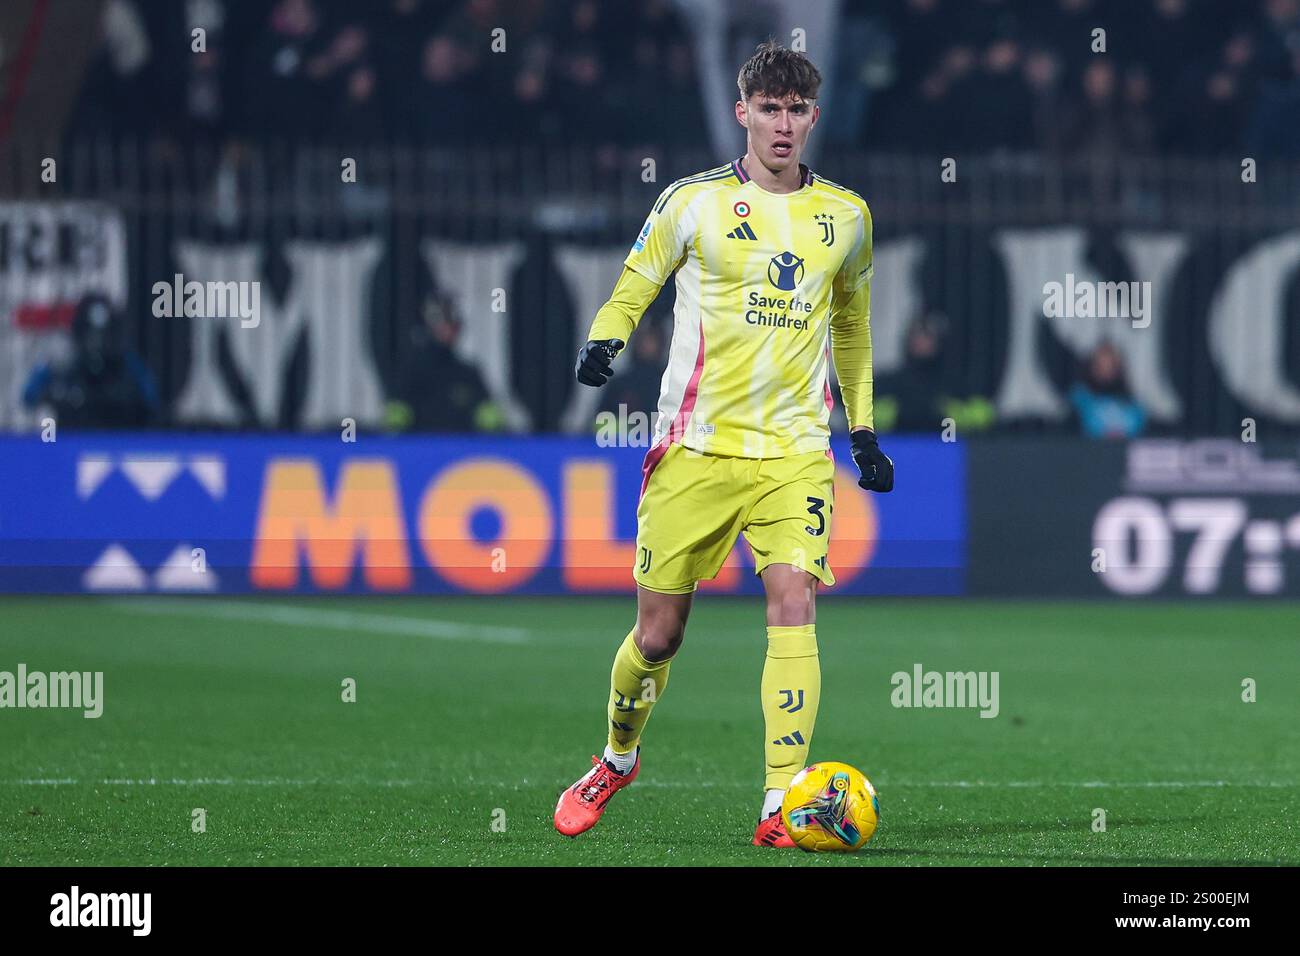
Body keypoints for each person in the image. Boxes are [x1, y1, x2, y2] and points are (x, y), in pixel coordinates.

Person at [558, 41, 893, 848]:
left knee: (794, 600)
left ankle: (780, 804)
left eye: (796, 110)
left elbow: (852, 325)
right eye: (768, 109)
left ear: (814, 116)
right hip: (696, 446)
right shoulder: (693, 202)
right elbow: (637, 281)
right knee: (658, 635)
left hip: (794, 453)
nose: (783, 125)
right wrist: (606, 338)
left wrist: (862, 427)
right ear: (742, 112)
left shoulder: (845, 218)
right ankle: (617, 756)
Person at [22, 294, 160, 430]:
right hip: (71, 442)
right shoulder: (62, 368)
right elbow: (29, 397)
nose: (96, 343)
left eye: (103, 335)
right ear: (79, 334)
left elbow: (152, 400)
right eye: (90, 335)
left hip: (116, 441)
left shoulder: (128, 365)